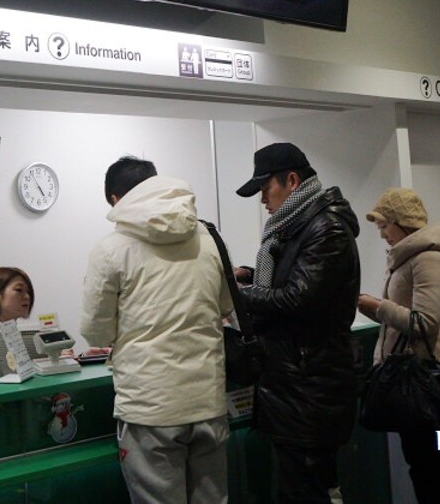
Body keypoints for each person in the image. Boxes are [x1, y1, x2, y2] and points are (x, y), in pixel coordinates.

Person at [81, 156, 232, 503]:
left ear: (116, 200)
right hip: (208, 402)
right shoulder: (208, 237)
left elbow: (96, 334)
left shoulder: (110, 250)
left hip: (149, 407)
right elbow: (226, 306)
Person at [233, 143, 360, 504]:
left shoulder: (326, 228)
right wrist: (249, 273)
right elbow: (295, 278)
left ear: (291, 180)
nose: (262, 200)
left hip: (309, 390)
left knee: (306, 491)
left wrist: (235, 294)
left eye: (264, 189)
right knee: (311, 487)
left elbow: (298, 297)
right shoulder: (299, 226)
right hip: (298, 388)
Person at [356, 188, 440, 503]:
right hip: (414, 379)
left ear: (400, 222)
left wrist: (376, 307)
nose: (381, 234)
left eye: (383, 225)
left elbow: (423, 323)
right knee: (426, 468)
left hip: (425, 380)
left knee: (435, 471)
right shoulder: (407, 259)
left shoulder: (429, 259)